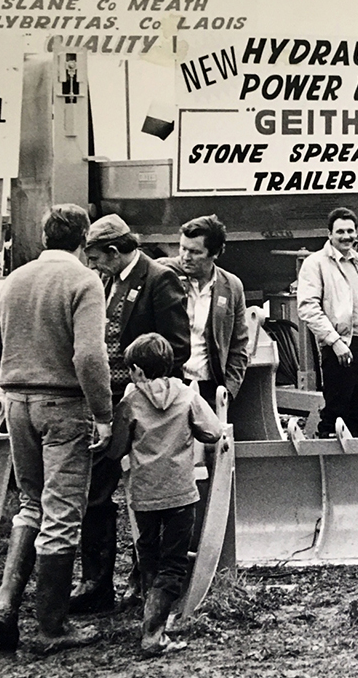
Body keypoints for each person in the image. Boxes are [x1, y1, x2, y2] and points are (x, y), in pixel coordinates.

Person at [0, 204, 111, 654]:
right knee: (62, 513)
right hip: (63, 405)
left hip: (16, 399)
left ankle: (4, 607)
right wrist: (103, 412)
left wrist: (11, 391)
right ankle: (51, 626)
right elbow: (89, 357)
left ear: (44, 237)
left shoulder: (14, 280)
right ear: (83, 238)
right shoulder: (84, 280)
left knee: (29, 503)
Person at [71, 214, 190, 615]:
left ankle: (146, 582)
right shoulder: (106, 282)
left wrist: (147, 392)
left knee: (151, 499)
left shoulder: (159, 279)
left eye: (98, 258)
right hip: (108, 405)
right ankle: (97, 583)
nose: (94, 267)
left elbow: (178, 346)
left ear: (116, 251)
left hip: (143, 409)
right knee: (98, 493)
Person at [113, 333, 223, 654]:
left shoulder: (130, 403)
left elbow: (116, 449)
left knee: (148, 556)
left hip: (144, 497)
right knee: (173, 563)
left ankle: (151, 624)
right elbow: (213, 432)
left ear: (136, 371)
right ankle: (155, 632)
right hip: (180, 495)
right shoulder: (188, 396)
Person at [297, 206, 358, 438]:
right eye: (340, 231)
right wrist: (335, 341)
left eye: (350, 231)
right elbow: (308, 307)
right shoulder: (315, 263)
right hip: (341, 346)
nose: (346, 236)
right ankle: (327, 464)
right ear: (329, 234)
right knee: (336, 412)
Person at [160, 215, 250, 409]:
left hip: (210, 389)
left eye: (194, 252)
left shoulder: (232, 286)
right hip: (169, 385)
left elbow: (239, 344)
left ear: (215, 253)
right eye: (182, 248)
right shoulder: (162, 275)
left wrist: (229, 391)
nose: (185, 257)